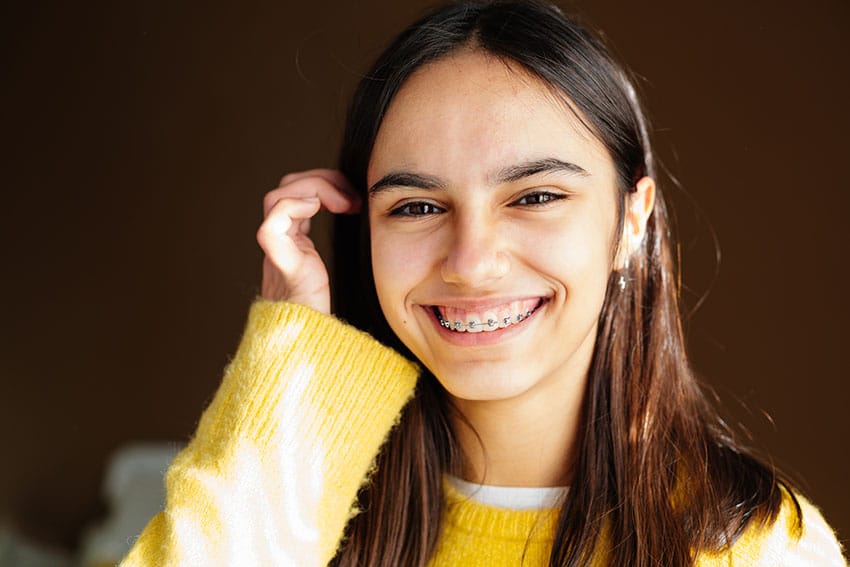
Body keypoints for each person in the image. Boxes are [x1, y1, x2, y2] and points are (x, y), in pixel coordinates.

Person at [121, 1, 846, 565]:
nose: (470, 260)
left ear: (633, 220)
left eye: (534, 196)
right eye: (417, 206)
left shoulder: (755, 547)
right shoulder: (296, 518)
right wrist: (288, 366)